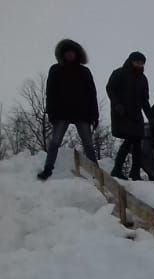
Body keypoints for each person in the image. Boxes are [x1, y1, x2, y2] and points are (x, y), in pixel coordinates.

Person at [37, 38, 99, 181]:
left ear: (77, 54)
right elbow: (50, 93)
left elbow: (92, 94)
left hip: (82, 113)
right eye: (67, 53)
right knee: (55, 142)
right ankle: (47, 169)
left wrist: (95, 115)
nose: (70, 55)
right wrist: (51, 112)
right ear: (63, 54)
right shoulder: (56, 69)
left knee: (88, 144)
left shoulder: (84, 71)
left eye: (72, 52)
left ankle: (97, 172)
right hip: (61, 112)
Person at [105, 51, 151, 180]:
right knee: (130, 140)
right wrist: (117, 104)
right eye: (137, 62)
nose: (139, 64)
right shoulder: (120, 73)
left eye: (142, 63)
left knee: (137, 143)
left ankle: (134, 172)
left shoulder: (143, 79)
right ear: (131, 61)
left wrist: (150, 116)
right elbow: (110, 89)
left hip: (136, 115)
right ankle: (117, 169)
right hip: (123, 113)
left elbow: (144, 100)